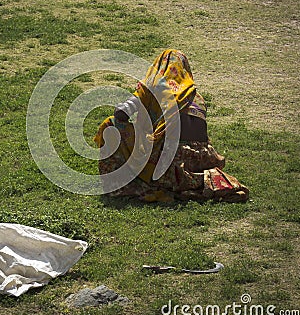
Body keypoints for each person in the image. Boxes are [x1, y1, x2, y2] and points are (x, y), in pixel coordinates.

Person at [94, 49, 249, 203]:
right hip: (200, 162)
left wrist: (140, 93)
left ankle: (118, 181)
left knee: (111, 125)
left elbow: (121, 115)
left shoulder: (154, 90)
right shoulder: (196, 97)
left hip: (167, 168)